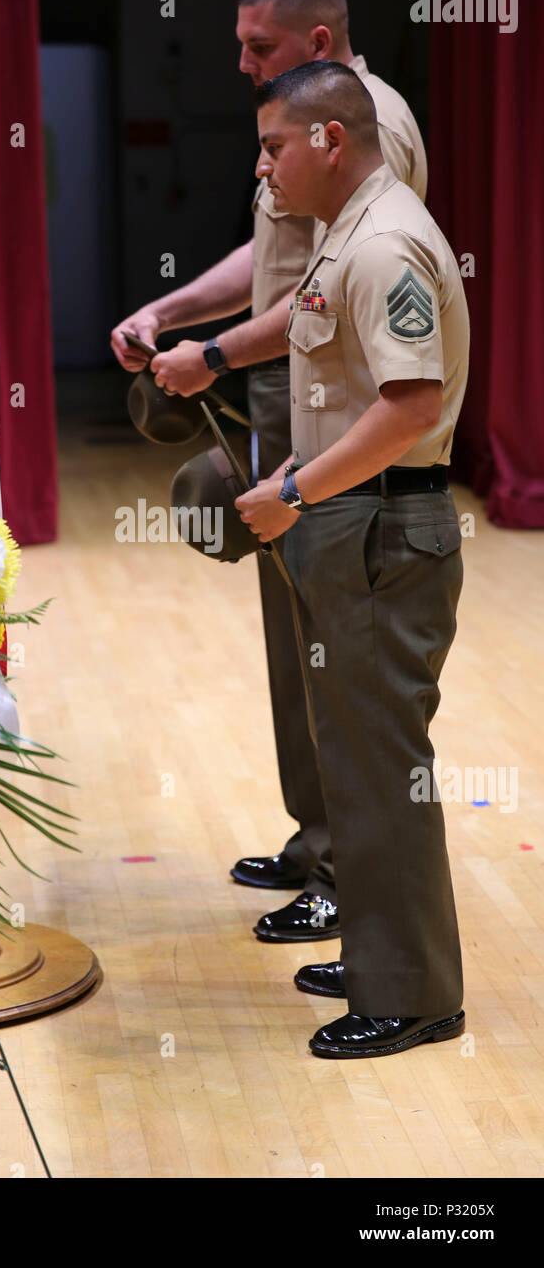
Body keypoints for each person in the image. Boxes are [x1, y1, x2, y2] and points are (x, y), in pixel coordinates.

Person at [111, 0, 427, 943]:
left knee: (341, 659)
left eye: (259, 47)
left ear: (318, 44)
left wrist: (208, 355)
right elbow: (274, 260)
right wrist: (176, 310)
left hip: (343, 437)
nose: (240, 62)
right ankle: (316, 839)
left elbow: (327, 292)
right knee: (299, 652)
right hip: (286, 418)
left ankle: (349, 870)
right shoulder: (296, 121)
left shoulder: (367, 124)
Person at [233, 60, 468, 1057]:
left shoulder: (383, 243)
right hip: (352, 518)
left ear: (331, 139)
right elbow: (345, 387)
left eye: (275, 145)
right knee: (356, 763)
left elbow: (410, 403)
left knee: (381, 768)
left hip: (381, 529)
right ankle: (379, 953)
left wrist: (289, 491)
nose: (264, 166)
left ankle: (413, 997)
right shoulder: (349, 234)